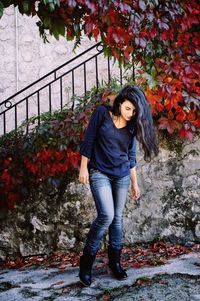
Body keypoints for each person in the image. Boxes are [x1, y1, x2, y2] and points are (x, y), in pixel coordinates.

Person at [78, 84, 159, 286]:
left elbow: (130, 156)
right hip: (99, 173)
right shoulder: (102, 114)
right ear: (119, 103)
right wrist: (83, 168)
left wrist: (135, 182)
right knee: (107, 215)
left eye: (134, 111)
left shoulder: (132, 127)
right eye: (127, 109)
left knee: (117, 219)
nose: (131, 114)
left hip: (122, 175)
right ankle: (86, 263)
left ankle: (114, 263)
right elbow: (88, 140)